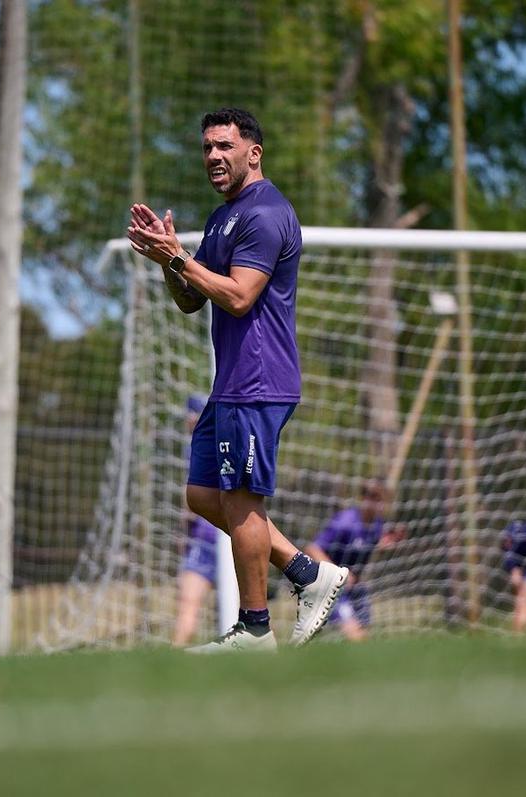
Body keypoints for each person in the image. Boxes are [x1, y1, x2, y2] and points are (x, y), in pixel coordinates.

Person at [127, 107, 348, 652]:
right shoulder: (225, 216)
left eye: (224, 146)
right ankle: (307, 573)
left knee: (243, 500)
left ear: (254, 153)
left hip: (259, 380)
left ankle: (254, 629)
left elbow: (239, 295)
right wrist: (167, 258)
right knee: (203, 495)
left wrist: (179, 255)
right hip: (230, 384)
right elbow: (190, 300)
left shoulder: (266, 213)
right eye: (206, 147)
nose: (213, 157)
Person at [304, 479, 405, 642]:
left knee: (363, 635)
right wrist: (339, 573)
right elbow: (312, 549)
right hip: (331, 587)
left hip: (355, 588)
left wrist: (385, 542)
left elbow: (365, 543)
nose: (378, 504)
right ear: (364, 499)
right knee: (354, 634)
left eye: (381, 500)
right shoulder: (344, 523)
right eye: (373, 498)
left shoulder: (377, 524)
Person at [172, 395, 224, 647]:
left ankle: (172, 664)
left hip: (207, 535)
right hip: (237, 533)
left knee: (188, 607)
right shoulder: (228, 440)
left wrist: (185, 532)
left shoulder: (197, 445)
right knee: (244, 614)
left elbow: (192, 500)